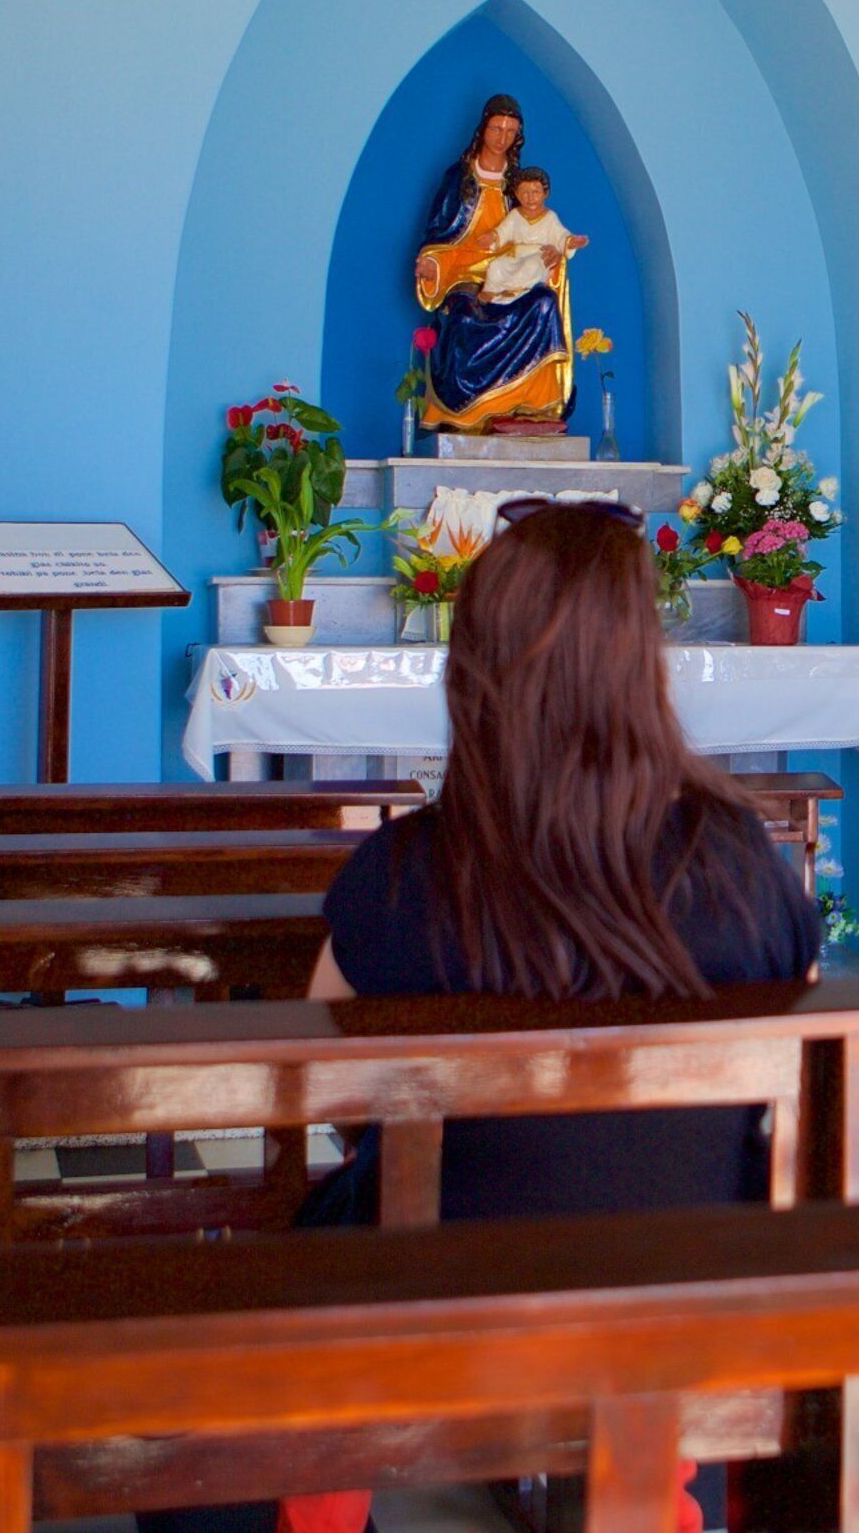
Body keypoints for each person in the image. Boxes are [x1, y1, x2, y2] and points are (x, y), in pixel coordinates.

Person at [138, 502, 818, 1533]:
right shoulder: (743, 862)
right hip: (684, 1302)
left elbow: (325, 1078)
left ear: (475, 669)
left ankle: (315, 1503)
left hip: (432, 1308)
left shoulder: (406, 871)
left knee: (295, 1267)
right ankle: (647, 1493)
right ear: (644, 664)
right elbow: (792, 1065)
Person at [411, 94, 581, 433]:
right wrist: (431, 266)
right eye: (496, 129)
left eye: (510, 131)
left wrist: (554, 253)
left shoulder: (520, 185)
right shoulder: (458, 178)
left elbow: (542, 231)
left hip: (514, 275)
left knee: (544, 303)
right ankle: (466, 416)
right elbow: (438, 236)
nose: (502, 138)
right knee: (464, 317)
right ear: (483, 129)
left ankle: (530, 407)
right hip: (464, 275)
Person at [479, 165, 585, 305]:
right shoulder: (515, 215)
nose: (530, 197)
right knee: (497, 265)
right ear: (517, 194)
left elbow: (561, 236)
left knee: (531, 266)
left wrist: (571, 242)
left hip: (539, 256)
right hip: (516, 256)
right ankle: (492, 292)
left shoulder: (550, 217)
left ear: (545, 193)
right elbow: (503, 231)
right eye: (525, 192)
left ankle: (515, 293)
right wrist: (492, 237)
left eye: (535, 192)